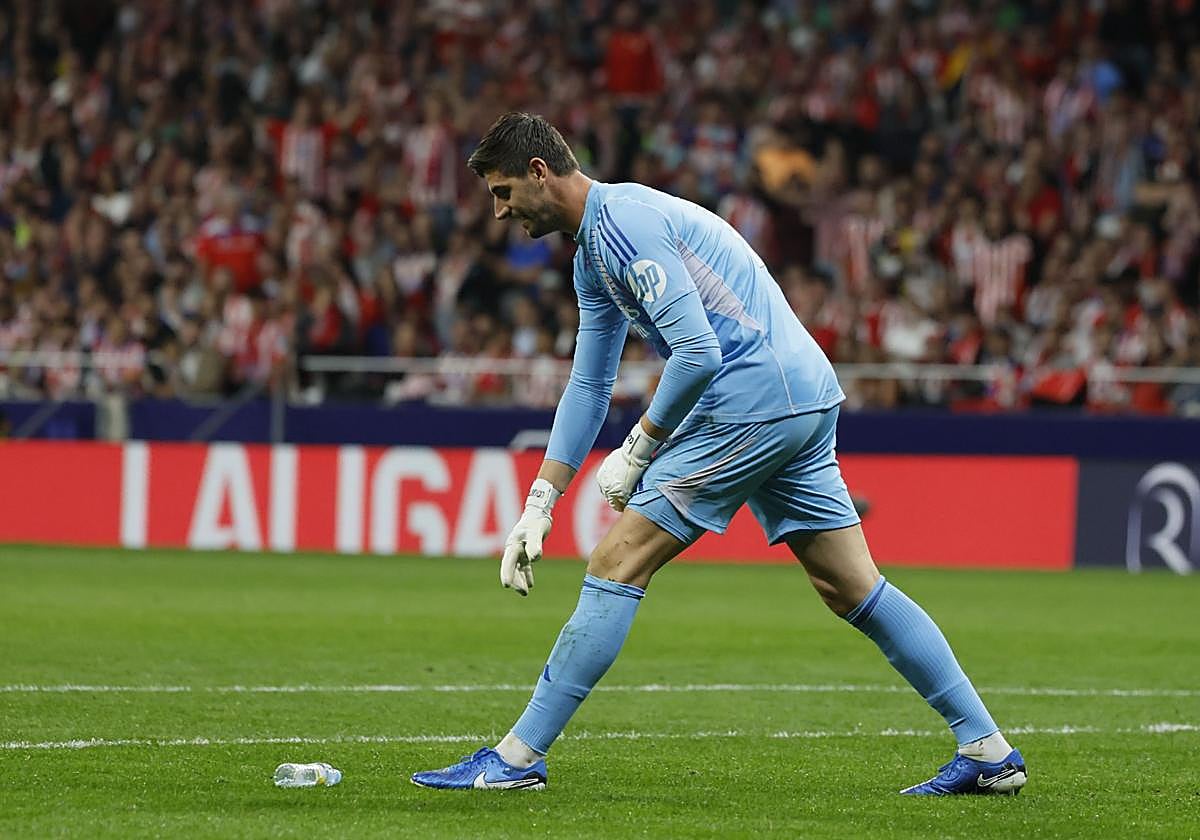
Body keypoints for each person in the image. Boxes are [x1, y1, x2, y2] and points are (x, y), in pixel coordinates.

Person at [411, 113, 1026, 796]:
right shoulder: (596, 250)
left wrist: (639, 448)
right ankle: (989, 750)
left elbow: (700, 353)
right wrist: (541, 501)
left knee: (618, 560)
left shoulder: (624, 227)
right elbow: (588, 383)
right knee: (851, 585)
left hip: (751, 397)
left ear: (539, 173)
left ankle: (516, 759)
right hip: (802, 393)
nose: (498, 212)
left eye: (501, 192)